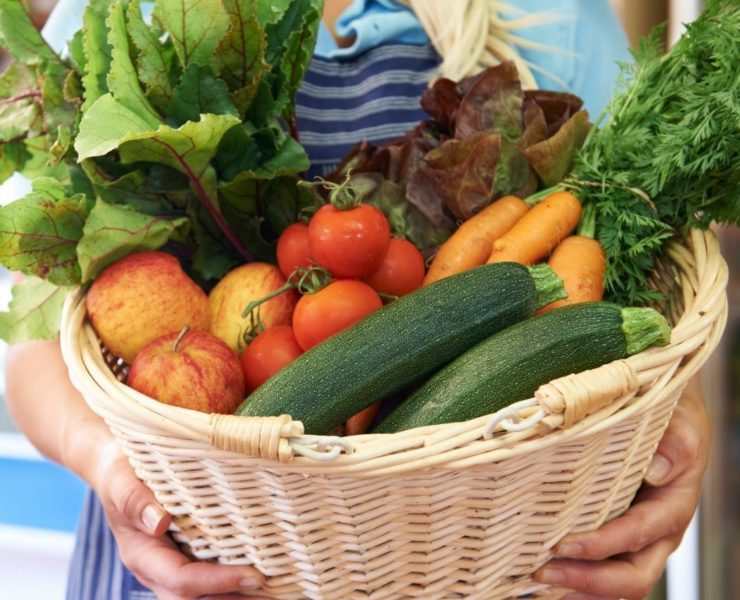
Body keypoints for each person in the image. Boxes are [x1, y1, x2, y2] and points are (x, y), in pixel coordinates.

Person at [4, 1, 712, 599]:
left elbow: (651, 266)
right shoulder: (125, 13)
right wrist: (111, 469)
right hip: (203, 544)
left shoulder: (548, 13)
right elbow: (36, 342)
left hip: (489, 551)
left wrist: (678, 419)